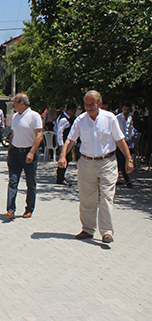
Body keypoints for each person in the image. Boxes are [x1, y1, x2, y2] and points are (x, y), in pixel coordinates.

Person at [57, 91, 134, 243]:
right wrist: (62, 156)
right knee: (87, 199)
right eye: (86, 104)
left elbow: (120, 140)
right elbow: (70, 140)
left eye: (92, 104)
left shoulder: (109, 118)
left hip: (107, 162)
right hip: (86, 163)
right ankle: (87, 229)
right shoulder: (80, 120)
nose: (88, 107)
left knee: (106, 198)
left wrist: (129, 159)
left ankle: (106, 232)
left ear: (99, 103)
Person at [6, 93, 43, 219]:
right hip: (15, 153)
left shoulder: (34, 116)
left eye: (15, 103)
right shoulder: (16, 117)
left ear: (22, 103)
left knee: (31, 183)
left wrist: (32, 152)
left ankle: (29, 209)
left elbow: (39, 135)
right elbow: (13, 134)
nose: (13, 105)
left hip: (28, 153)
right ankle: (10, 209)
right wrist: (9, 151)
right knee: (12, 181)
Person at [55, 103, 77, 185]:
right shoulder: (64, 120)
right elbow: (59, 133)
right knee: (64, 159)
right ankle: (60, 178)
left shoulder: (66, 118)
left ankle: (61, 176)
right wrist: (61, 145)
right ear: (70, 111)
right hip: (64, 143)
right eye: (74, 111)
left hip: (66, 143)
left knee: (67, 159)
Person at [115, 102, 135, 188]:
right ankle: (127, 181)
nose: (126, 111)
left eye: (128, 110)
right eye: (124, 109)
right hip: (119, 142)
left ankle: (117, 179)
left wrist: (133, 141)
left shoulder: (130, 118)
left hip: (126, 142)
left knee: (121, 161)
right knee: (122, 161)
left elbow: (130, 130)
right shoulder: (118, 118)